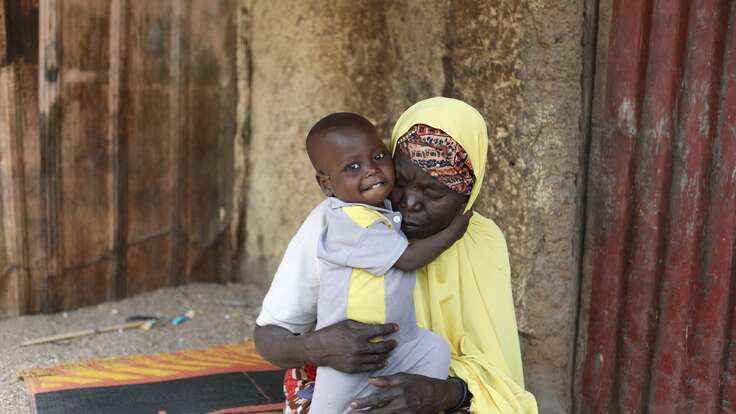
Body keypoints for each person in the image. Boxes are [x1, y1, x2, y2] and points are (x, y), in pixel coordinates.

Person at [255, 97, 538, 413]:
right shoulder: (337, 222)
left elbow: (498, 373)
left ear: (466, 198)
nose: (411, 203)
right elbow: (268, 338)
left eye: (434, 193)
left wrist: (442, 393)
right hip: (345, 379)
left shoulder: (481, 241)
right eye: (400, 182)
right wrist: (318, 347)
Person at [303, 112, 470, 413]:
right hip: (354, 346)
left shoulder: (380, 213)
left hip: (401, 340)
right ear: (326, 184)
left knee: (434, 350)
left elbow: (500, 371)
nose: (372, 171)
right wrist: (455, 231)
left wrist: (443, 393)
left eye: (379, 157)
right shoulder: (351, 222)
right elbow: (408, 259)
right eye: (353, 167)